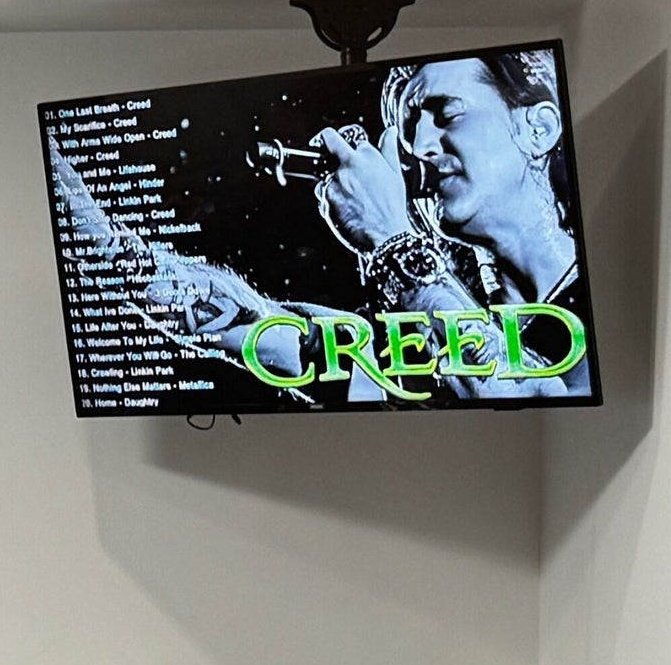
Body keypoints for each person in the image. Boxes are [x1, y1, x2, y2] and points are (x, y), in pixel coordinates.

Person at [48, 46, 587, 403]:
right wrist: (109, 249)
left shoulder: (599, 292)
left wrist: (390, 239)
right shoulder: (419, 324)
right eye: (410, 131)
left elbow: (527, 396)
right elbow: (264, 328)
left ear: (538, 128)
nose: (420, 146)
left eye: (447, 114)